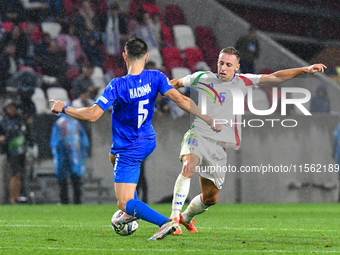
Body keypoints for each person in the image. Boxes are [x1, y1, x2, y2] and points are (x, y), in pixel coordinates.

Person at [49, 38, 220, 240]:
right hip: (147, 140)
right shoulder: (156, 77)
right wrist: (207, 118)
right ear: (146, 57)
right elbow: (181, 99)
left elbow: (93, 115)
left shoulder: (117, 85)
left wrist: (64, 108)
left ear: (124, 56)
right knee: (113, 157)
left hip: (129, 147)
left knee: (123, 202)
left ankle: (165, 222)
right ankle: (133, 211)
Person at [168, 46, 326, 235]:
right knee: (188, 166)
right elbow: (175, 83)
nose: (223, 68)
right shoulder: (202, 78)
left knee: (210, 198)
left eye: (228, 64)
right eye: (220, 63)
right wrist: (156, 89)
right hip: (198, 135)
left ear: (237, 67)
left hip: (219, 146)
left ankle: (186, 217)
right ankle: (173, 218)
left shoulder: (243, 81)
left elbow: (275, 77)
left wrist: (304, 70)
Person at [50, 103, 89, 204]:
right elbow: (84, 140)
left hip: (63, 155)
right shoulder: (76, 123)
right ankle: (77, 200)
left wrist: (56, 153)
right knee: (76, 179)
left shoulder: (59, 123)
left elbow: (55, 141)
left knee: (63, 180)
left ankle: (64, 201)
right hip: (76, 155)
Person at [0, 99, 33, 204]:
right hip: (8, 151)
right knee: (14, 174)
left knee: (18, 174)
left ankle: (17, 196)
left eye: (13, 107)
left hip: (20, 150)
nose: (12, 109)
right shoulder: (2, 121)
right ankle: (12, 197)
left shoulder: (19, 120)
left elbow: (26, 133)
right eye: (9, 107)